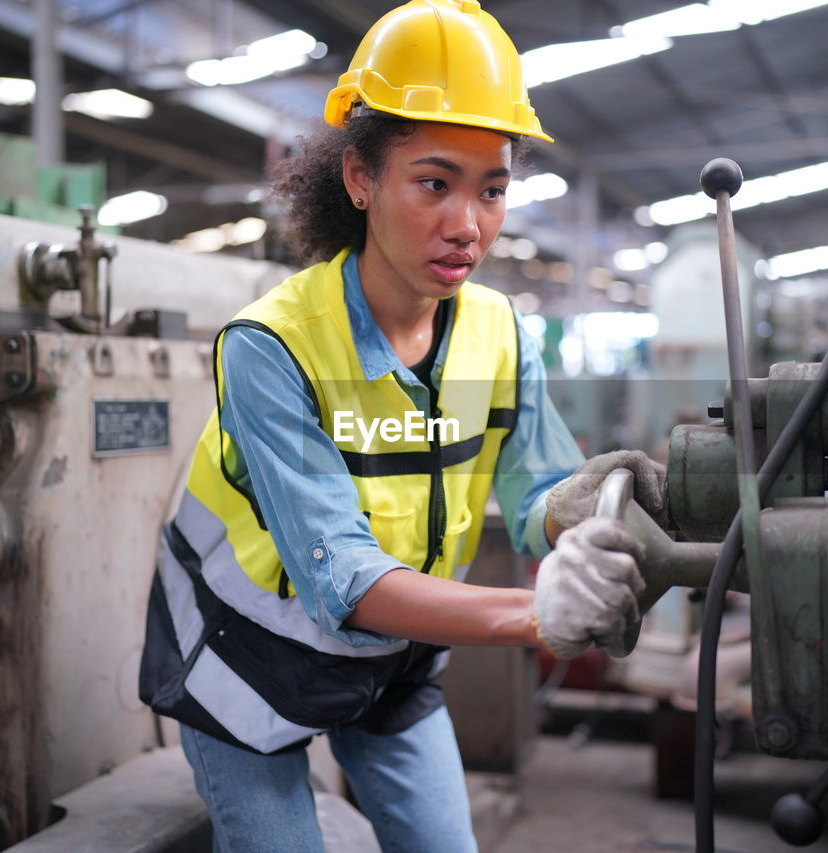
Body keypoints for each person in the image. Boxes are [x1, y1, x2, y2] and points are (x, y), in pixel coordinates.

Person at [139, 2, 665, 850]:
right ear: (360, 179)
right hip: (245, 659)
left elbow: (537, 496)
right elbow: (340, 577)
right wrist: (533, 614)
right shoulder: (269, 348)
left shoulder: (498, 332)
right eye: (435, 182)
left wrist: (594, 506)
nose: (469, 223)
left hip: (392, 661)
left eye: (492, 188)